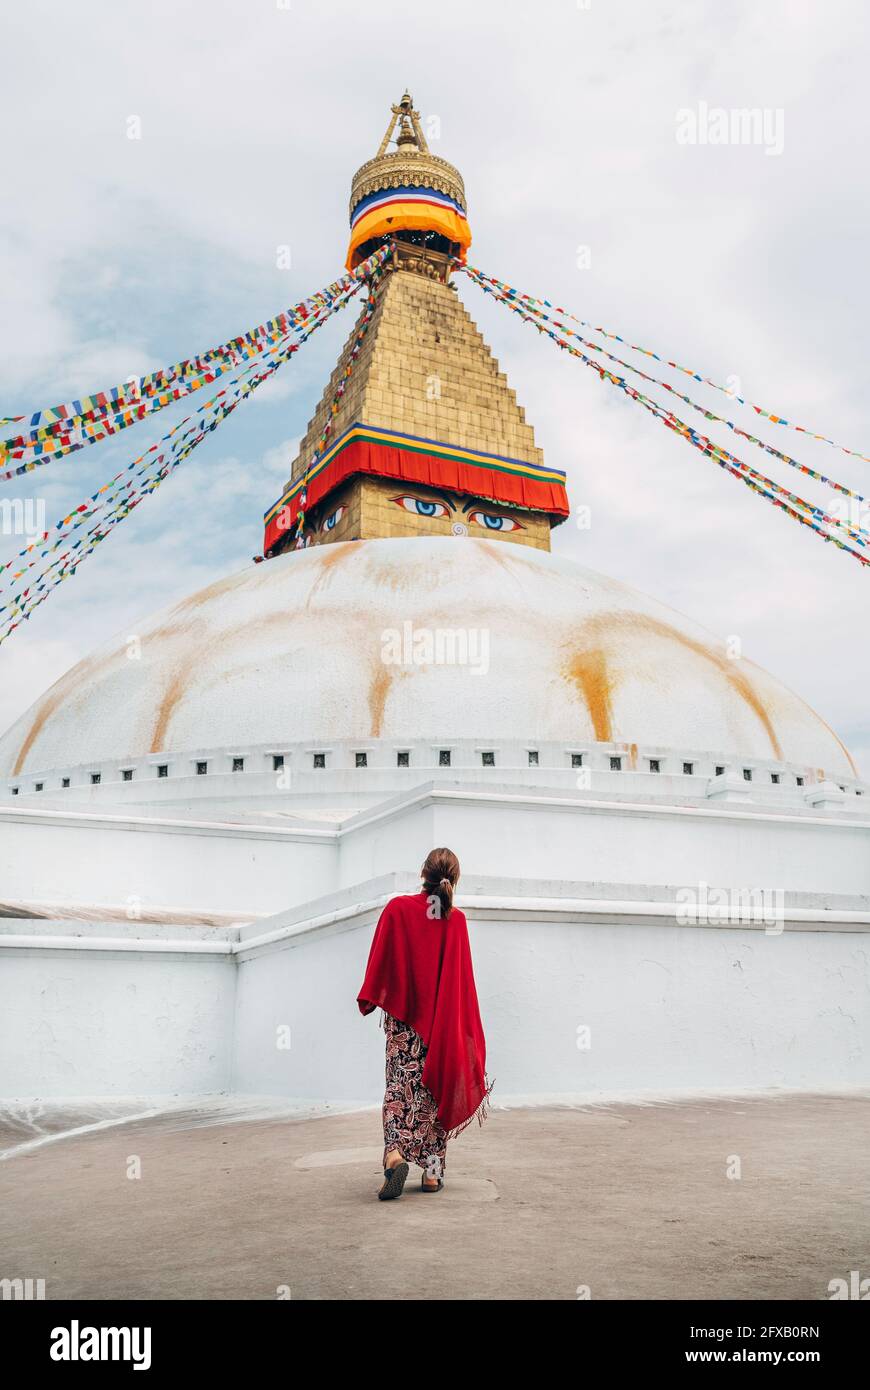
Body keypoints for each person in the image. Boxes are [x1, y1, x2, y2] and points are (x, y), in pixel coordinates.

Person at [357, 847, 492, 1200]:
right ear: (453, 880)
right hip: (440, 1030)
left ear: (423, 874)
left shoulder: (398, 909)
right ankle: (432, 1174)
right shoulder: (456, 920)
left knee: (399, 1091)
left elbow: (381, 961)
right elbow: (461, 985)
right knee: (433, 1095)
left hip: (404, 1028)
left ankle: (394, 1154)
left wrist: (372, 999)